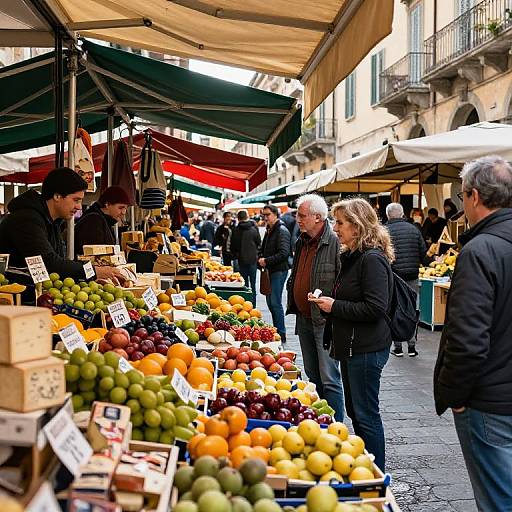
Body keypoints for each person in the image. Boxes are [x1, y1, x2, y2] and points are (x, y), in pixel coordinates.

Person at [433, 156, 512, 511]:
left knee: (497, 500)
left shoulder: (480, 251)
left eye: (462, 196)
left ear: (475, 197)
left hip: (488, 402)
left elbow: (467, 340)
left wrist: (456, 396)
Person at [309, 198, 394, 471]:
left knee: (366, 415)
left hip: (366, 349)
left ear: (357, 227)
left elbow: (375, 307)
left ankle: (375, 473)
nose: (335, 228)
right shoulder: (353, 256)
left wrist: (335, 306)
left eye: (340, 223)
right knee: (357, 412)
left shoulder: (372, 260)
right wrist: (330, 304)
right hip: (351, 346)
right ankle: (365, 468)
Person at [0, 167, 123, 281]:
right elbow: (49, 263)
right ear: (57, 196)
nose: (79, 207)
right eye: (76, 200)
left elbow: (58, 261)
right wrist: (94, 271)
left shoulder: (52, 222)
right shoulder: (27, 219)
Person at [286, 194, 344, 421]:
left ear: (318, 218)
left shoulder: (335, 242)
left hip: (325, 321)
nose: (298, 219)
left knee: (329, 376)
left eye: (302, 215)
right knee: (312, 374)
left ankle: (336, 426)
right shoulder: (302, 241)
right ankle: (321, 419)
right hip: (304, 317)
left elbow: (342, 281)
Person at [386, 203, 426, 358]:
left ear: (388, 215)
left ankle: (397, 346)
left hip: (394, 277)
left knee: (395, 309)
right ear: (402, 214)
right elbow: (423, 254)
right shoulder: (414, 230)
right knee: (411, 309)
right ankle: (412, 346)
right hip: (412, 277)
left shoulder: (385, 231)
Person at [259, 204, 291, 343]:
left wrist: (266, 260)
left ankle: (281, 333)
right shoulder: (270, 230)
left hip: (278, 270)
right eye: (263, 215)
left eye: (268, 215)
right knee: (270, 302)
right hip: (270, 270)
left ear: (275, 214)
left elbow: (284, 253)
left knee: (275, 302)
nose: (265, 218)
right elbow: (264, 248)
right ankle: (276, 331)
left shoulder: (281, 230)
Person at [74, 186, 130, 256]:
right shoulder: (93, 221)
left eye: (126, 208)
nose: (124, 212)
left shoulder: (102, 220)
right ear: (107, 205)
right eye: (121, 207)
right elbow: (96, 257)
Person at [230, 209, 261, 305]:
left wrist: (236, 255)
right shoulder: (253, 228)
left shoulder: (236, 230)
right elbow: (259, 242)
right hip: (252, 260)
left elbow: (233, 246)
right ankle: (253, 305)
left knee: (244, 284)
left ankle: (245, 304)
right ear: (247, 217)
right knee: (253, 284)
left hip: (241, 260)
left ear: (238, 218)